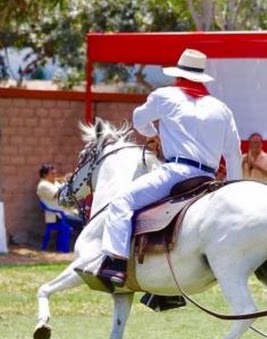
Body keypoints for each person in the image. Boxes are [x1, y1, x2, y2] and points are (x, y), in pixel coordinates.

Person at [97, 48, 242, 286]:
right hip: (208, 177)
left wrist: (153, 135)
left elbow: (138, 120)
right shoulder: (221, 108)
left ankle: (116, 263)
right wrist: (232, 189)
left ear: (178, 75)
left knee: (121, 203)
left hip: (176, 173)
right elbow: (234, 154)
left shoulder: (164, 96)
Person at [36, 163, 85, 233]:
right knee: (82, 223)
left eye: (55, 173)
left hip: (68, 212)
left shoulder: (55, 182)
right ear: (44, 175)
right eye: (52, 173)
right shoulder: (43, 185)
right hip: (58, 216)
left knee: (87, 219)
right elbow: (57, 194)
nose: (54, 175)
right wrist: (66, 181)